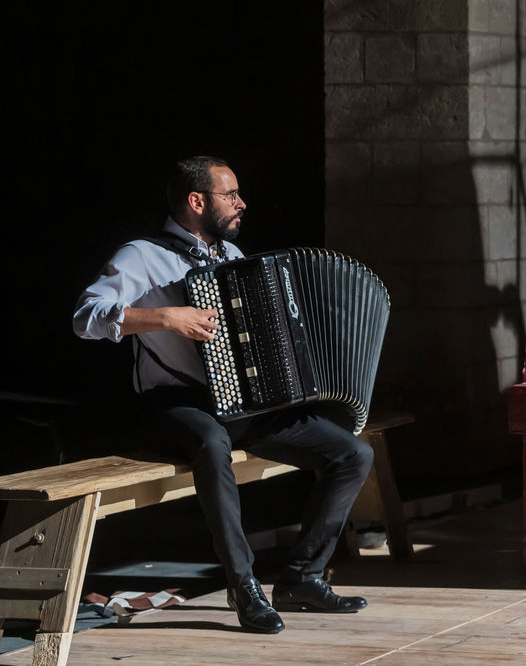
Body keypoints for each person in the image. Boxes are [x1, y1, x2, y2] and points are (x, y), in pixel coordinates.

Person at [73, 157, 373, 634]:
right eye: (230, 195)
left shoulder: (231, 257)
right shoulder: (141, 255)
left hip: (239, 400)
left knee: (353, 454)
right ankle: (243, 585)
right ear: (197, 201)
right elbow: (85, 317)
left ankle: (302, 577)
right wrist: (166, 317)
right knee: (213, 445)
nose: (241, 203)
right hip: (174, 402)